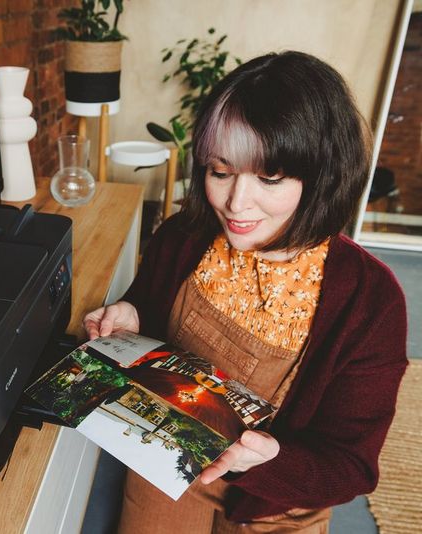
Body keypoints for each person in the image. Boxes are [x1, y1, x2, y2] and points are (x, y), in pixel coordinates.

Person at [83, 51, 408, 533]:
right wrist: (131, 318)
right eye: (221, 171)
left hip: (278, 507)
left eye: (270, 178)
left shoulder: (370, 301)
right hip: (166, 465)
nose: (236, 203)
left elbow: (352, 467)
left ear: (322, 174)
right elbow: (151, 313)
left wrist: (270, 457)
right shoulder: (184, 236)